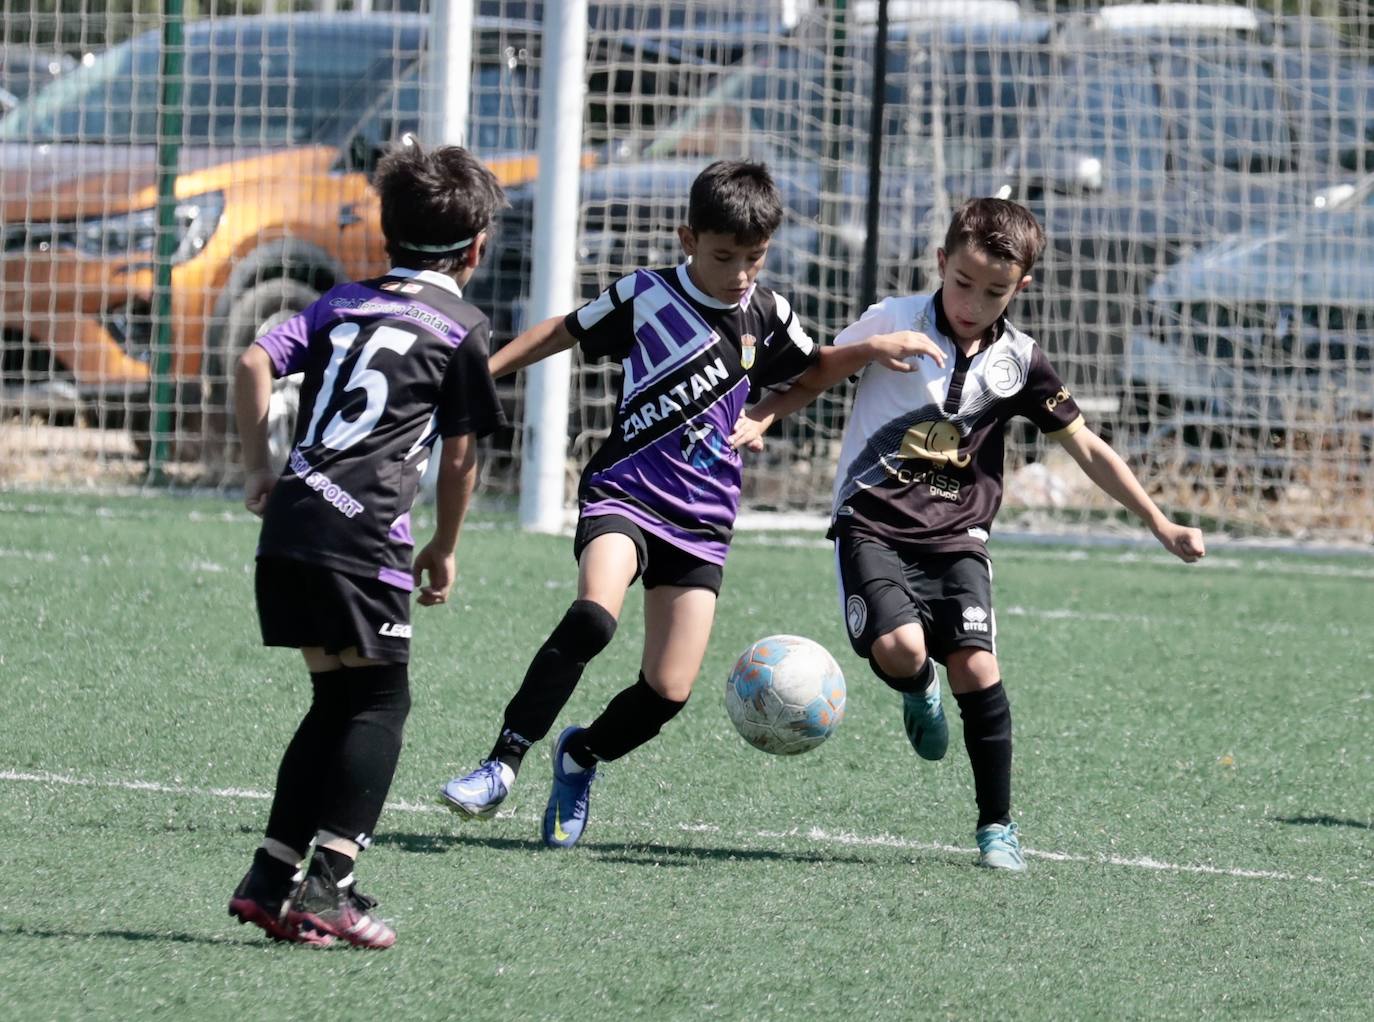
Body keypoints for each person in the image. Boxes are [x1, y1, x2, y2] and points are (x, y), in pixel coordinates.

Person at [438, 159, 941, 848]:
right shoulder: (645, 296)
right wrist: (478, 371)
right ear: (687, 239)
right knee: (593, 617)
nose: (739, 273)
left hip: (702, 523)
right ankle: (501, 764)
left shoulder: (767, 313)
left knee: (666, 694)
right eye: (724, 256)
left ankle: (580, 756)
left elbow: (813, 368)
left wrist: (838, 366)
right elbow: (561, 330)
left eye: (754, 258)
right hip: (626, 492)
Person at [736, 197, 1206, 871]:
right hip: (872, 525)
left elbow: (1088, 449)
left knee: (980, 668)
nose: (972, 301)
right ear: (940, 264)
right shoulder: (893, 319)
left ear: (1020, 289)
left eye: (993, 292)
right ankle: (916, 687)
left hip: (959, 538)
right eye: (962, 283)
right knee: (901, 649)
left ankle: (997, 828)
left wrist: (1159, 522)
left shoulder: (1021, 361)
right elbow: (820, 371)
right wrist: (768, 411)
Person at [227, 139, 507, 946]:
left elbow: (253, 361)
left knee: (338, 701)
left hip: (292, 527)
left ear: (386, 236)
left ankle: (272, 875)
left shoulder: (340, 300)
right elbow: (460, 456)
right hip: (363, 538)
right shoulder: (461, 325)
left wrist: (259, 468)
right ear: (476, 249)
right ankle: (331, 888)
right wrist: (445, 547)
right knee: (383, 702)